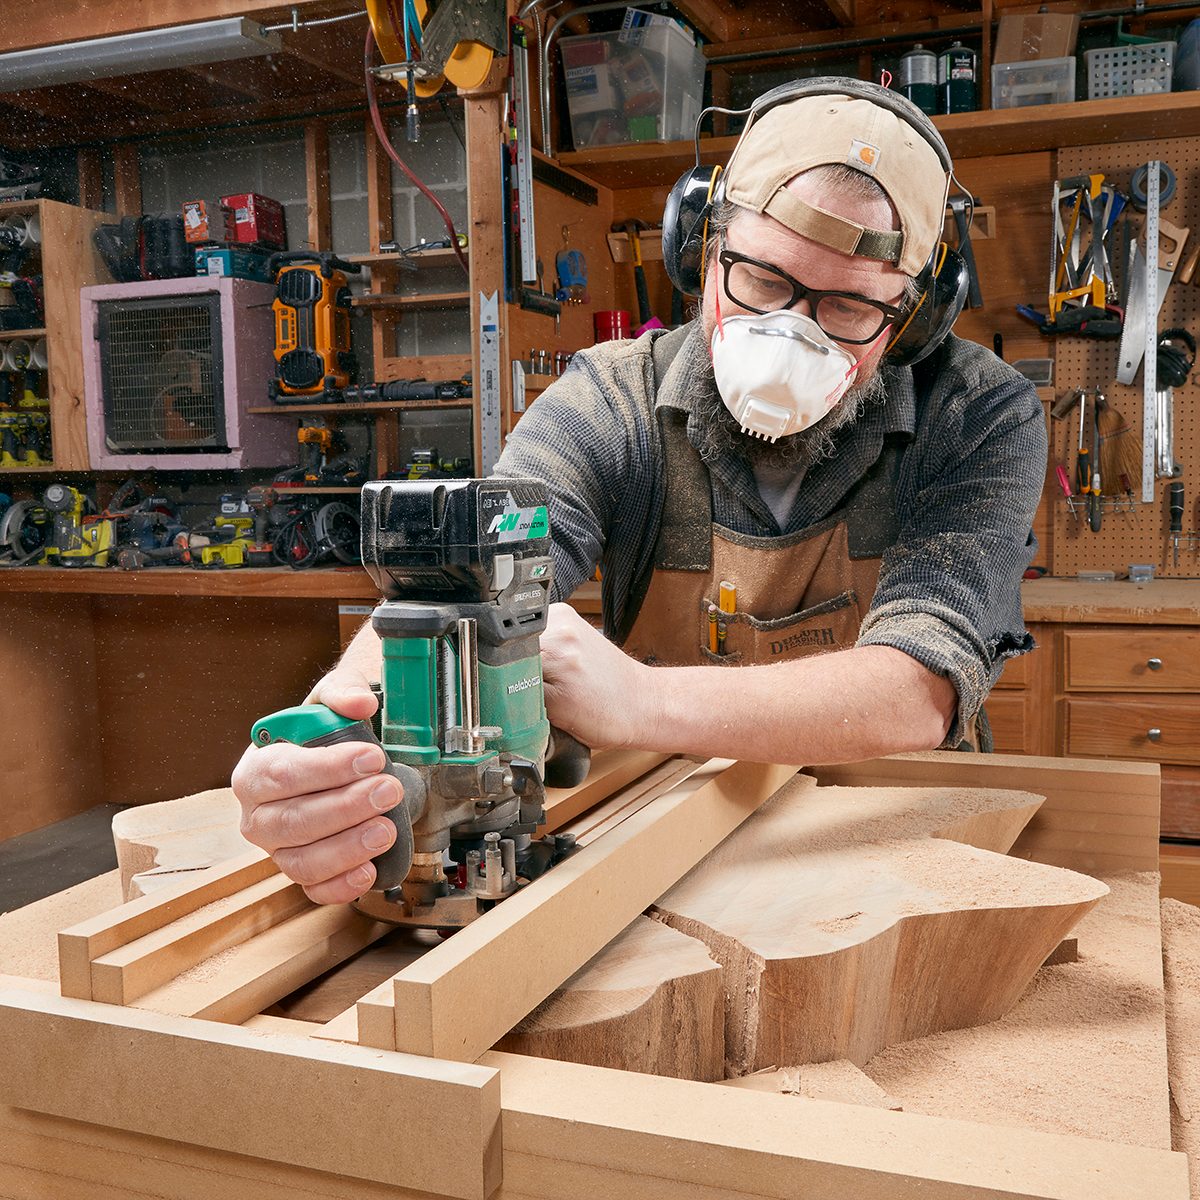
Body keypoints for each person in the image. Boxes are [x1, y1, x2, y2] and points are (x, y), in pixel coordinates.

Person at [232, 78, 1046, 904]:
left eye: (846, 308)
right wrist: (341, 749)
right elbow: (471, 577)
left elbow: (920, 688)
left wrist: (643, 699)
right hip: (669, 842)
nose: (790, 335)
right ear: (702, 249)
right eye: (763, 280)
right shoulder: (610, 400)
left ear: (912, 319)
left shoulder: (978, 413)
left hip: (898, 837)